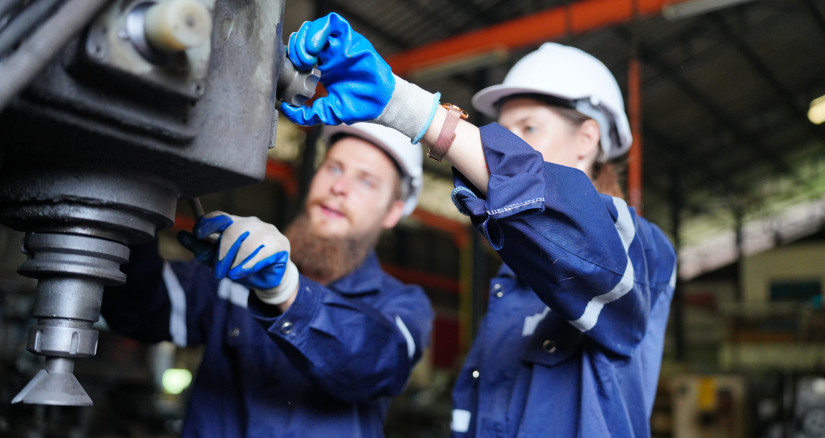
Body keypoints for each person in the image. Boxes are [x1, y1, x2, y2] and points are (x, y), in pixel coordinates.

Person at [280, 13, 677, 438]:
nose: (508, 146)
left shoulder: (642, 256)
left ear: (586, 139)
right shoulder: (512, 285)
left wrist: (408, 109)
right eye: (502, 132)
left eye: (529, 129)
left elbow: (577, 229)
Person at [101, 122, 434, 437]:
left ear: (393, 211)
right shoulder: (238, 268)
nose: (339, 187)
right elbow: (139, 311)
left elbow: (379, 364)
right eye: (333, 167)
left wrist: (287, 291)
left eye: (366, 181)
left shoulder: (403, 303)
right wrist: (139, 200)